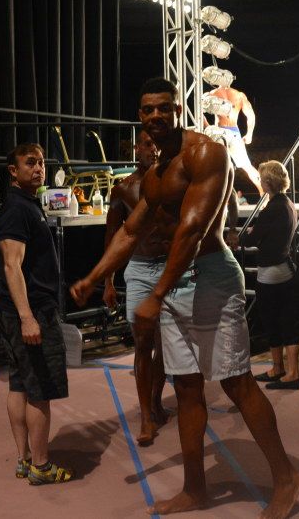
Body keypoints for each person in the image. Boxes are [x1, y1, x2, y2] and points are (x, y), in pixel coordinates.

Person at [71, 77, 299, 518]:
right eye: (147, 109)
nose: (155, 115)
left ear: (178, 110)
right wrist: (94, 277)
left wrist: (156, 293)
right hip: (175, 283)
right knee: (187, 387)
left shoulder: (205, 153)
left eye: (164, 107)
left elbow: (192, 231)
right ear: (140, 116)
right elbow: (131, 231)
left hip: (211, 279)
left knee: (236, 382)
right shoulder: (157, 173)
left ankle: (287, 478)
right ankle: (195, 489)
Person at [0, 143, 73, 485]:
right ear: (13, 170)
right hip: (31, 312)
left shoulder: (26, 203)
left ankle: (25, 458)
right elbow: (12, 266)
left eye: (40, 162)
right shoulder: (16, 209)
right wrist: (28, 317)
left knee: (20, 384)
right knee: (39, 388)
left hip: (21, 311)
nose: (39, 168)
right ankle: (41, 466)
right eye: (30, 163)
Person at [102, 130, 170, 446]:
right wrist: (108, 281)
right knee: (143, 343)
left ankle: (155, 399)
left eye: (157, 144)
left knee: (165, 345)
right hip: (140, 269)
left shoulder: (173, 180)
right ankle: (145, 417)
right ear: (136, 148)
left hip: (169, 268)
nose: (153, 149)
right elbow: (112, 237)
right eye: (148, 144)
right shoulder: (122, 189)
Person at [240, 160, 299, 390]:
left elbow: (251, 239)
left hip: (271, 273)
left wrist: (241, 236)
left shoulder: (272, 208)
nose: (260, 182)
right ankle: (285, 370)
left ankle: (286, 371)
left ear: (268, 182)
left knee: (273, 321)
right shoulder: (288, 204)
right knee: (286, 321)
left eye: (261, 179)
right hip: (285, 269)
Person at [205, 85, 264, 195]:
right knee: (248, 167)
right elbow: (251, 115)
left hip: (219, 132)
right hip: (234, 132)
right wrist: (249, 134)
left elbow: (199, 113)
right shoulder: (239, 95)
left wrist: (208, 127)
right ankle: (264, 194)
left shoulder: (212, 94)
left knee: (217, 168)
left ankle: (219, 200)